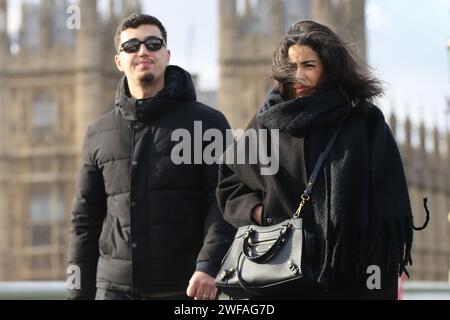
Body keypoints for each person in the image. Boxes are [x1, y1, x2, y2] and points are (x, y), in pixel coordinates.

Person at [216, 20, 416, 299]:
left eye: (308, 65)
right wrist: (261, 214)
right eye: (291, 67)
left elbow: (384, 214)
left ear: (330, 67)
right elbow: (231, 183)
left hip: (345, 279)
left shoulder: (361, 122)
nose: (298, 75)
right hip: (279, 277)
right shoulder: (266, 123)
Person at [67, 13, 234, 300]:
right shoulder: (98, 133)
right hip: (114, 290)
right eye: (132, 46)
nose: (143, 51)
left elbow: (224, 202)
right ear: (118, 61)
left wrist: (209, 265)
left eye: (153, 44)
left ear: (167, 54)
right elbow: (85, 221)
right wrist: (77, 293)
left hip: (185, 289)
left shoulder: (207, 123)